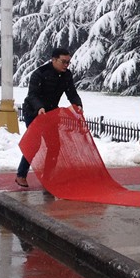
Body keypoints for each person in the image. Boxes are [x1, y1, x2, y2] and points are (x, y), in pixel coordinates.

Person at [15, 48, 83, 187]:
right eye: (63, 62)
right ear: (54, 60)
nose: (66, 65)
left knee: (54, 145)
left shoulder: (66, 75)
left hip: (51, 113)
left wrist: (78, 104)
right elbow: (32, 95)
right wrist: (39, 107)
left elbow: (72, 93)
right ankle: (21, 175)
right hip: (33, 111)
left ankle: (47, 177)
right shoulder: (40, 74)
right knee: (34, 143)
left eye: (68, 62)